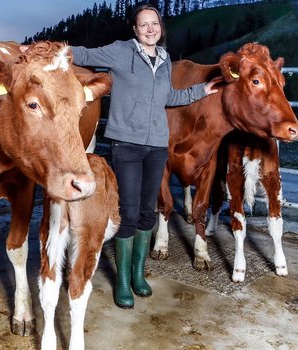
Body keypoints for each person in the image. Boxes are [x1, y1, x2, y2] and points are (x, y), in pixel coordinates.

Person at [71, 3, 221, 309]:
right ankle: (123, 282)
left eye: (154, 24)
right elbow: (84, 54)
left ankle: (139, 275)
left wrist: (202, 90)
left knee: (147, 212)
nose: (150, 29)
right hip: (126, 144)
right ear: (135, 30)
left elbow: (170, 97)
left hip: (156, 146)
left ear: (160, 28)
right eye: (143, 25)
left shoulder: (165, 59)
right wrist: (49, 52)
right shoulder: (120, 51)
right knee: (127, 212)